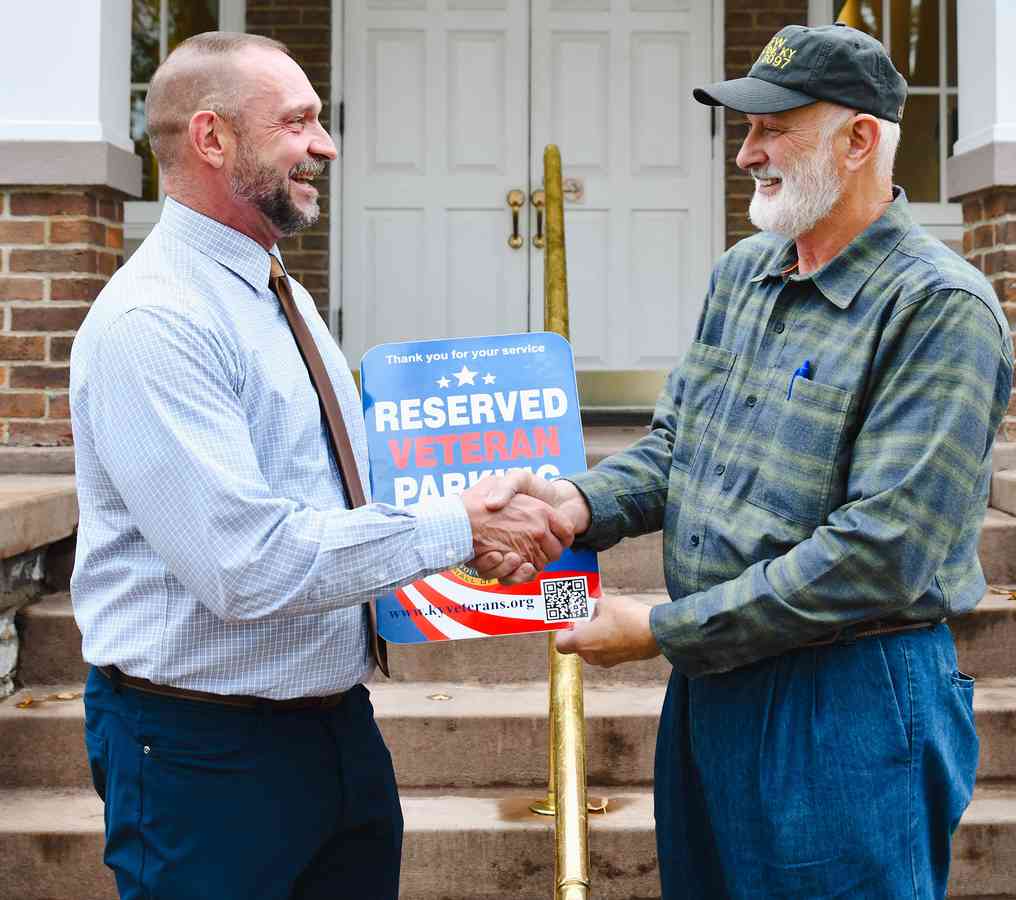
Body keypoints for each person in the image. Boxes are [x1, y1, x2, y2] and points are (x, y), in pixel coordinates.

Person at [482, 23, 1014, 900]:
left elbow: (881, 555)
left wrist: (657, 630)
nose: (747, 154)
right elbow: (675, 450)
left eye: (774, 128)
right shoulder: (745, 272)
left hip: (848, 700)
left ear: (859, 140)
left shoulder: (940, 307)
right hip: (716, 689)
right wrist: (572, 503)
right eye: (745, 128)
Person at [70, 32, 571, 900]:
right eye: (298, 121)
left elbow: (333, 487)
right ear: (213, 139)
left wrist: (510, 503)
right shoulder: (156, 323)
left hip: (333, 727)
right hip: (201, 753)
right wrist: (461, 524)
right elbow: (246, 564)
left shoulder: (273, 288)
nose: (326, 143)